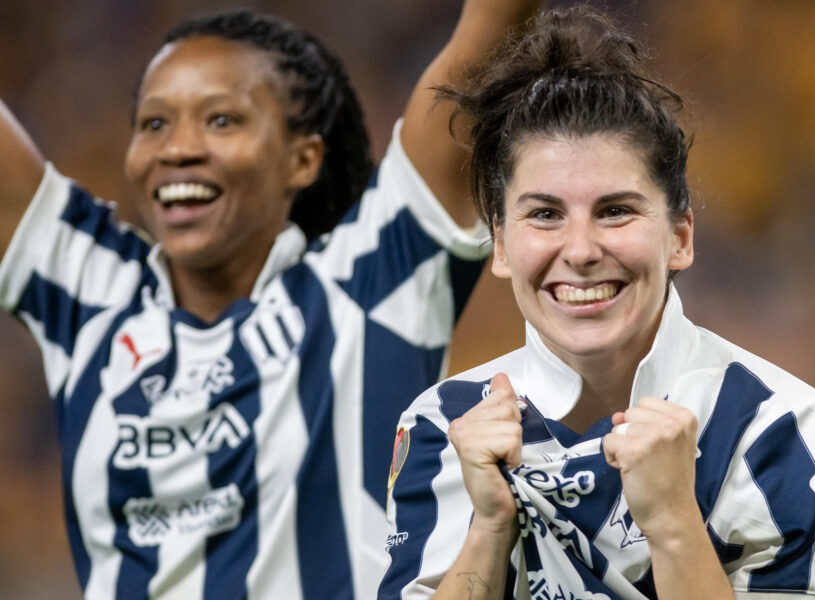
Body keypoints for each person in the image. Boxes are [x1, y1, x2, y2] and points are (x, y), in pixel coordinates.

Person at [0, 1, 541, 598]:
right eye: (154, 124)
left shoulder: (374, 277)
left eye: (222, 120)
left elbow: (494, 28)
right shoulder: (87, 294)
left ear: (303, 157)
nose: (178, 149)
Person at [379, 7, 815, 599]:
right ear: (501, 245)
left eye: (615, 211)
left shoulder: (788, 433)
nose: (580, 250)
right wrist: (487, 526)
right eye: (544, 214)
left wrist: (673, 524)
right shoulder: (444, 427)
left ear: (680, 237)